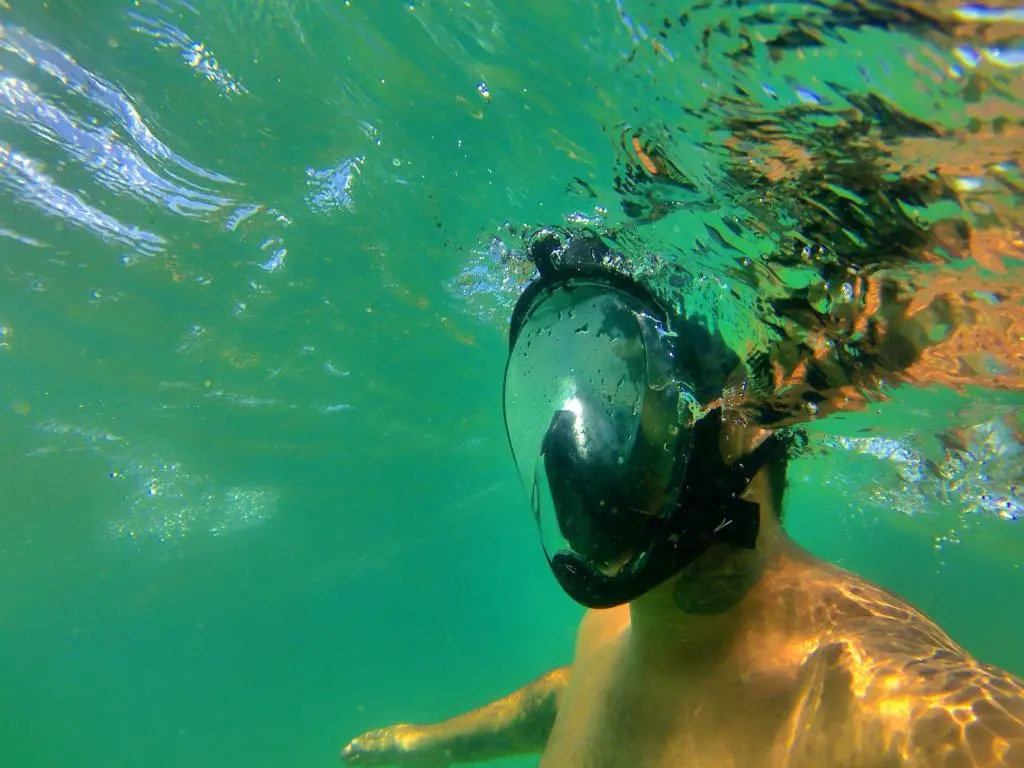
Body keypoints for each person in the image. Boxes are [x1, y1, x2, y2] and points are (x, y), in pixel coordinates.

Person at [338, 233, 1024, 767]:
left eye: (640, 400)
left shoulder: (886, 705)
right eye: (603, 400)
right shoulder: (615, 626)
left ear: (744, 430)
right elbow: (574, 696)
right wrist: (430, 743)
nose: (591, 438)